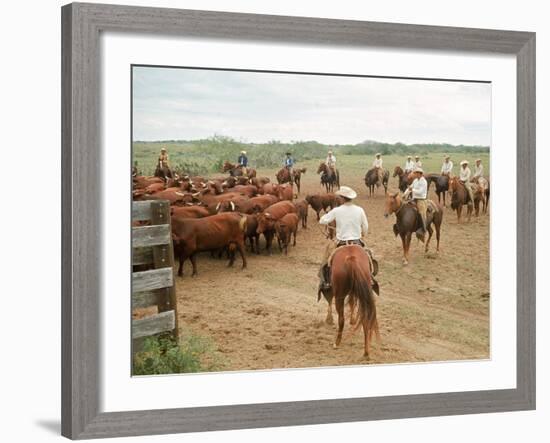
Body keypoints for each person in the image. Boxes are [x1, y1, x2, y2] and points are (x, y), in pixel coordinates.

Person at [318, 186, 377, 291]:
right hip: (357, 241)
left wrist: (328, 218)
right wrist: (363, 234)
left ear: (342, 198)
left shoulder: (337, 210)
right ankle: (371, 278)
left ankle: (326, 281)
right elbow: (366, 227)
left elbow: (322, 220)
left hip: (340, 242)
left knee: (326, 258)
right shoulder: (360, 210)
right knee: (369, 256)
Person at [403, 167, 428, 241]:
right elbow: (409, 188)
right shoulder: (415, 181)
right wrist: (404, 194)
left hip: (421, 200)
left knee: (421, 213)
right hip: (414, 199)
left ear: (420, 174)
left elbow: (420, 192)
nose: (415, 174)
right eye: (415, 173)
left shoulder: (424, 182)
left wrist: (412, 190)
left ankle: (423, 229)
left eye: (417, 173)